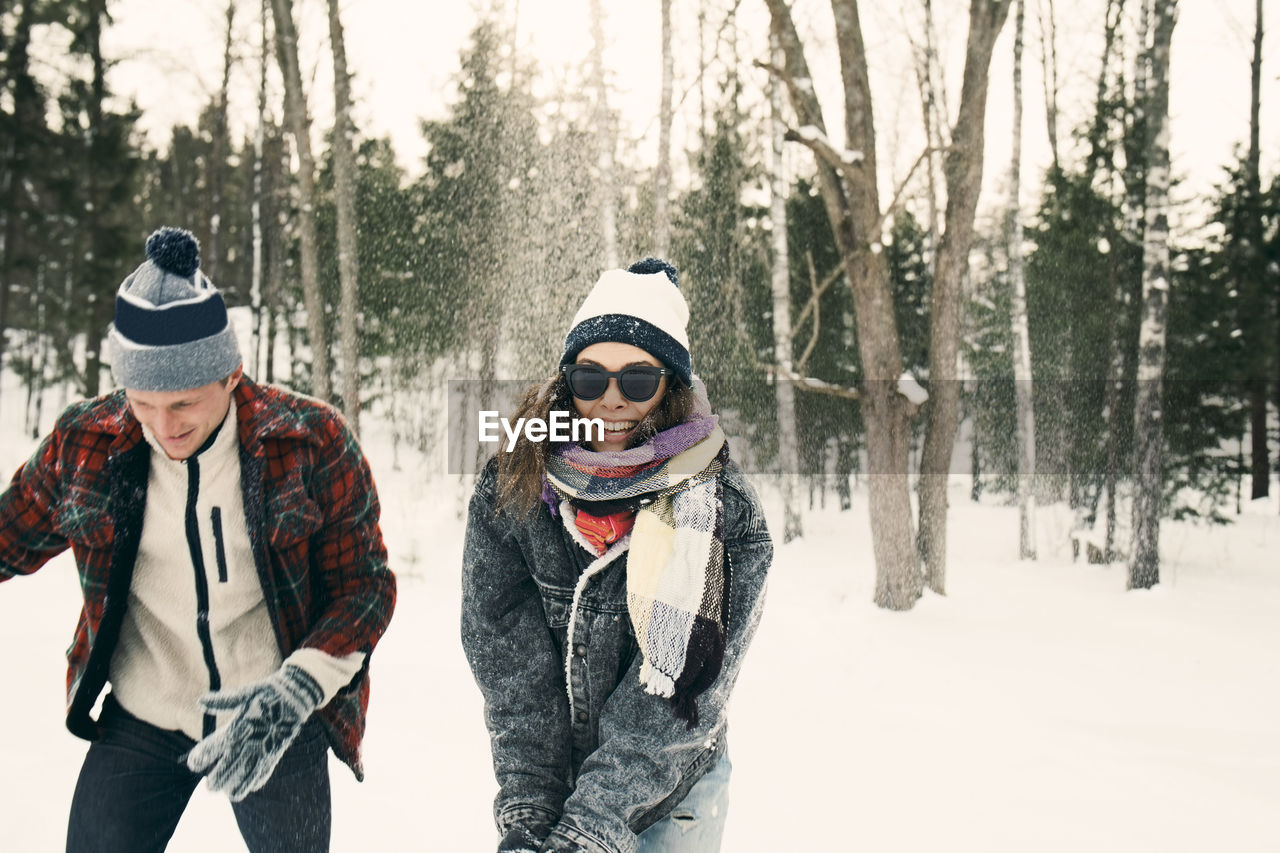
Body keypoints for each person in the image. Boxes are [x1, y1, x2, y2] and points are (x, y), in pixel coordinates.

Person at [0, 227, 397, 853]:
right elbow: (8, 536)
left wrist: (296, 689)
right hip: (144, 713)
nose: (163, 426)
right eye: (142, 402)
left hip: (274, 708)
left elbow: (365, 589)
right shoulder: (87, 443)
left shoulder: (311, 441)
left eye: (183, 402)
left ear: (230, 373)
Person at [461, 258, 772, 853]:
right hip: (553, 778)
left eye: (636, 381)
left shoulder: (719, 509)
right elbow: (509, 663)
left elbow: (683, 695)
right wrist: (531, 810)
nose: (610, 401)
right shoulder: (515, 487)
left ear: (670, 388)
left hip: (670, 794)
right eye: (589, 379)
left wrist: (588, 831)